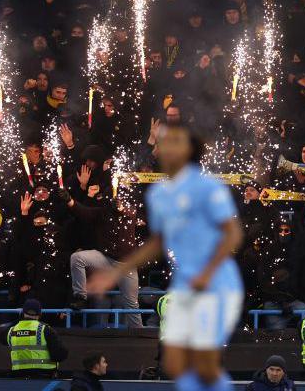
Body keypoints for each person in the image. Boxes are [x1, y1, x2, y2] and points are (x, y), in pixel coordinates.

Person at [87, 123, 244, 391]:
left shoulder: (208, 187)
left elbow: (232, 235)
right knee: (172, 362)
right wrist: (114, 273)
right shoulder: (160, 194)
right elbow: (157, 243)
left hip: (217, 279)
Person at [0, 298, 68, 378]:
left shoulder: (11, 331)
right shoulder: (45, 330)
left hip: (18, 377)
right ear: (40, 314)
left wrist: (18, 320)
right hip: (44, 377)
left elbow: (2, 339)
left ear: (23, 312)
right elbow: (60, 354)